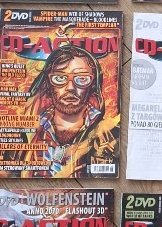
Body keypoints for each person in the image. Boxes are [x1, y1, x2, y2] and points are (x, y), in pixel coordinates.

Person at [25, 45, 117, 176]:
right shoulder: (27, 132)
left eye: (82, 78)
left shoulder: (109, 132)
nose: (70, 88)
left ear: (92, 85)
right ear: (49, 84)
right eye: (60, 78)